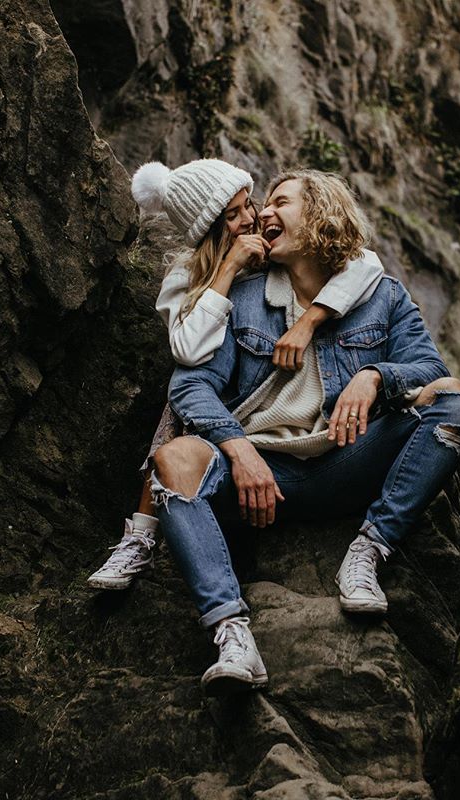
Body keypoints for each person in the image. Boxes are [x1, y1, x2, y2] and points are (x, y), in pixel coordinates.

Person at [150, 169, 460, 696]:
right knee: (177, 458)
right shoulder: (245, 297)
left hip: (349, 461)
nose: (262, 214)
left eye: (280, 202)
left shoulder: (382, 296)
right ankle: (232, 635)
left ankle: (368, 552)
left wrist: (375, 376)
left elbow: (427, 368)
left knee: (454, 396)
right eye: (264, 205)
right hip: (258, 480)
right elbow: (190, 387)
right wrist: (237, 449)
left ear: (321, 212)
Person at [87, 159, 386, 589]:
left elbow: (366, 264)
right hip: (218, 405)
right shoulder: (184, 276)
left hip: (271, 392)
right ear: (209, 227)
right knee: (181, 396)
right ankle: (140, 536)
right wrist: (227, 270)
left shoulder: (275, 252)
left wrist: (309, 322)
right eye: (232, 215)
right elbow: (188, 351)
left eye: (249, 204)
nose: (250, 219)